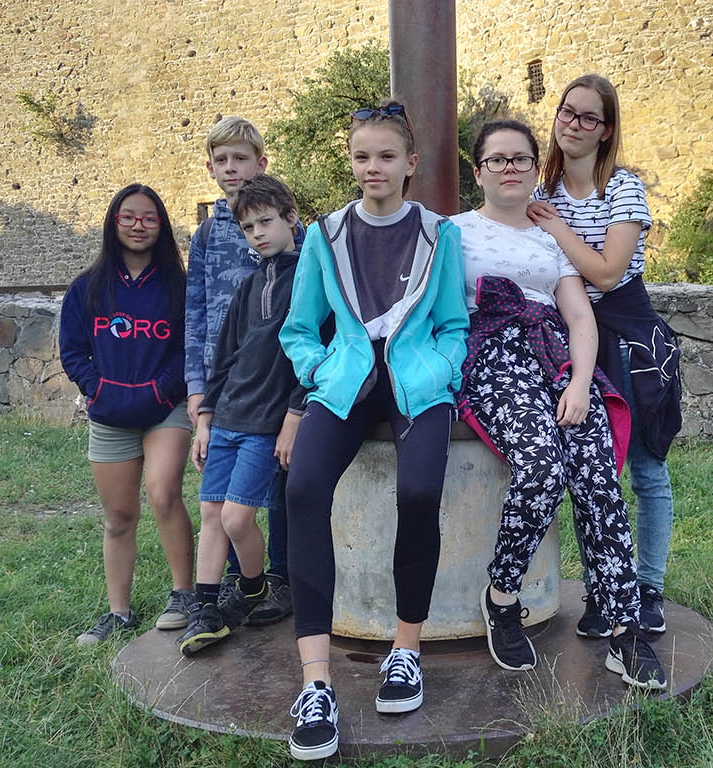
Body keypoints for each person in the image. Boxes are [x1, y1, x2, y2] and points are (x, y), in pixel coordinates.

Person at [278, 102, 468, 761]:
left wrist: (442, 368)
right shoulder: (324, 235)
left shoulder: (440, 234)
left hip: (417, 380)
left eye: (386, 156)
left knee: (419, 493)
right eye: (362, 156)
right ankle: (316, 684)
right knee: (302, 490)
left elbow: (454, 324)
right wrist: (319, 367)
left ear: (410, 163)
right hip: (348, 381)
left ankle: (405, 652)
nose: (373, 168)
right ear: (351, 162)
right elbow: (299, 328)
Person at [452, 120, 666, 690]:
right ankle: (502, 596)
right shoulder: (454, 232)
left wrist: (579, 383)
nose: (510, 168)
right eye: (497, 160)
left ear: (533, 168)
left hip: (556, 357)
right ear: (478, 172)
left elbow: (579, 316)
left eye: (521, 158)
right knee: (543, 466)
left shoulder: (551, 236)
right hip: (494, 355)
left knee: (597, 477)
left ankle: (624, 629)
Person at [529, 73, 683, 636]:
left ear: (606, 130)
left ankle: (648, 587)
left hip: (628, 333)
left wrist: (556, 228)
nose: (573, 124)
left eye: (588, 117)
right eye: (567, 112)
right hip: (571, 334)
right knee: (590, 472)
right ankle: (604, 589)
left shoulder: (622, 188)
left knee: (645, 467)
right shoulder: (540, 192)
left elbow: (609, 272)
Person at [177, 175, 310, 655]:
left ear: (291, 219)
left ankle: (252, 587)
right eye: (248, 227)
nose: (257, 233)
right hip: (228, 416)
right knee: (211, 512)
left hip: (265, 423)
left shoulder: (310, 280)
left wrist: (295, 412)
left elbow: (315, 355)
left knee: (237, 518)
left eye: (266, 222)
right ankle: (205, 608)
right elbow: (224, 358)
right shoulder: (249, 286)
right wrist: (205, 419)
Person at [58, 183, 195, 646]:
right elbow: (73, 351)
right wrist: (97, 389)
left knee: (163, 492)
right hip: (110, 414)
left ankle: (183, 596)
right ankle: (118, 612)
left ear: (162, 226)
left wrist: (160, 388)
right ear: (113, 222)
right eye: (129, 217)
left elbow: (188, 347)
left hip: (164, 408)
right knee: (118, 516)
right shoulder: (87, 287)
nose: (139, 225)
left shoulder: (179, 286)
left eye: (149, 218)